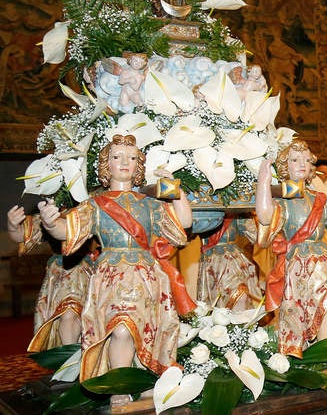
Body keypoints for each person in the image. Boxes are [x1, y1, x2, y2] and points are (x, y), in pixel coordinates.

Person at [39, 134, 193, 404]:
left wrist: (175, 190)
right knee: (120, 328)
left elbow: (183, 224)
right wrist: (51, 224)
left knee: (146, 330)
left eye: (132, 158)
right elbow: (68, 229)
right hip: (111, 276)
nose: (125, 162)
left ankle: (145, 380)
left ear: (139, 165)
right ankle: (119, 384)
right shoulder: (95, 205)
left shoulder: (149, 204)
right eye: (117, 156)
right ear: (106, 164)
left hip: (147, 276)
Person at [254, 140, 327, 357]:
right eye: (295, 160)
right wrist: (263, 181)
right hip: (300, 264)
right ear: (284, 166)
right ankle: (320, 355)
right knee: (308, 309)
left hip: (324, 261)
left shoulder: (319, 198)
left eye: (306, 160)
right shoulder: (283, 200)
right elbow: (265, 216)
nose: (302, 164)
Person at [7, 206, 93, 351]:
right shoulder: (52, 212)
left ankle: (78, 356)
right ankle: (70, 357)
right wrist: (13, 226)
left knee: (81, 316)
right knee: (68, 313)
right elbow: (22, 235)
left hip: (91, 272)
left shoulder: (92, 207)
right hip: (62, 273)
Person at [196, 215, 263, 310]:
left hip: (234, 262)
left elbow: (255, 238)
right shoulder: (206, 215)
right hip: (214, 265)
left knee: (241, 295)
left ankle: (240, 319)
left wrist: (247, 215)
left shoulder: (235, 216)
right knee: (218, 303)